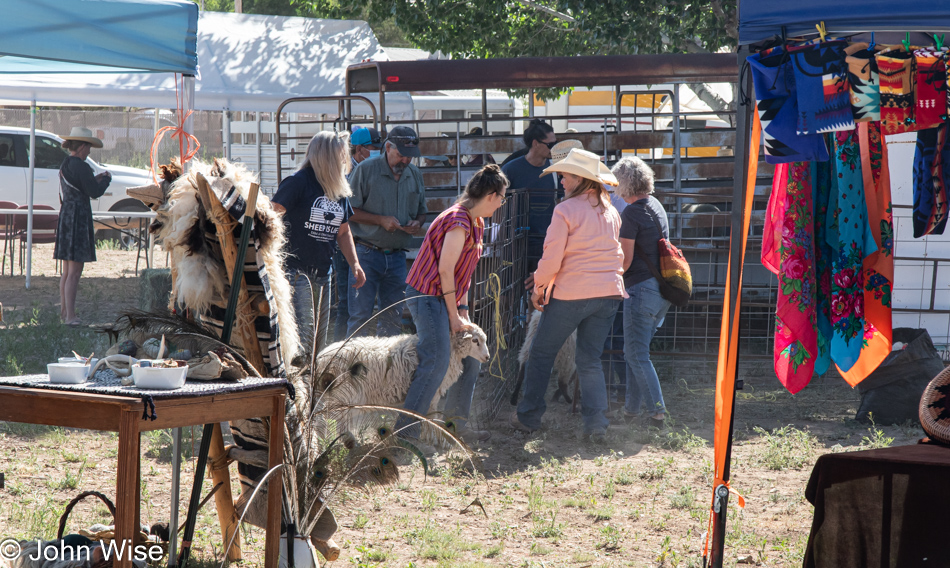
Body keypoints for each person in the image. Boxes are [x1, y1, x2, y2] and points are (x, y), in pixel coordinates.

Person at [510, 149, 625, 443]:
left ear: (582, 179)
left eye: (565, 175)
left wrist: (539, 289)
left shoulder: (565, 210)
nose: (560, 179)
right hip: (609, 293)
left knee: (541, 354)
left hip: (572, 293)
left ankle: (529, 417)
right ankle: (596, 424)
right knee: (590, 359)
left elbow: (551, 260)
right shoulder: (610, 210)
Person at [398, 165, 509, 446]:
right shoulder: (459, 221)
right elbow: (446, 270)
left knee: (470, 356)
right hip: (427, 295)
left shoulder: (477, 222)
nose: (501, 204)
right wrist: (452, 315)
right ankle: (404, 435)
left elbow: (465, 272)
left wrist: (463, 311)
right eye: (502, 198)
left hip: (446, 296)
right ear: (491, 196)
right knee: (436, 360)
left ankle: (454, 426)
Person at [272, 131, 366, 360]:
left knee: (318, 341)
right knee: (305, 338)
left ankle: (310, 387)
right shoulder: (298, 183)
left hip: (324, 273)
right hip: (295, 271)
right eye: (341, 155)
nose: (345, 160)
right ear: (327, 157)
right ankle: (298, 388)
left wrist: (355, 264)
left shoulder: (338, 189)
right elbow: (270, 216)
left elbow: (343, 232)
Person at [347, 125, 428, 337]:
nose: (406, 161)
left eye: (410, 156)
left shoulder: (415, 174)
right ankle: (351, 368)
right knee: (360, 317)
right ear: (388, 147)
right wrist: (379, 220)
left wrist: (417, 223)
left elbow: (422, 212)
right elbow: (348, 211)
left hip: (397, 257)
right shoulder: (365, 170)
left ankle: (386, 368)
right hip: (366, 253)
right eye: (402, 155)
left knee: (392, 317)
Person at [612, 156, 671, 428]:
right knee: (635, 351)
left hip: (640, 289)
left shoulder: (631, 213)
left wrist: (609, 279)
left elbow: (624, 259)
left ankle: (657, 414)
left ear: (624, 185)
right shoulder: (655, 205)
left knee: (636, 354)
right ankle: (631, 410)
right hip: (660, 289)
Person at [54, 127, 111, 327]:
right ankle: (71, 317)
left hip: (67, 217)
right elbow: (94, 191)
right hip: (78, 219)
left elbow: (82, 185)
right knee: (75, 272)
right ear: (83, 146)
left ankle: (64, 313)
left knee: (67, 272)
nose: (89, 152)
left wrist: (95, 180)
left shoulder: (67, 164)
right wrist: (105, 180)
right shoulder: (82, 166)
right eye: (89, 148)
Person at [332, 127, 382, 342]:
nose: (377, 151)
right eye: (372, 147)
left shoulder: (359, 170)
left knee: (349, 301)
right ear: (360, 149)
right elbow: (348, 213)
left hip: (355, 241)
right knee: (347, 301)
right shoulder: (350, 174)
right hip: (347, 242)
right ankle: (340, 349)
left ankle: (341, 345)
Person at [501, 119, 557, 272]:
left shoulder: (555, 170)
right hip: (516, 244)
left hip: (546, 243)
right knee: (514, 291)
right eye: (550, 144)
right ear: (535, 143)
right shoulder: (510, 170)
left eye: (555, 143)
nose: (554, 148)